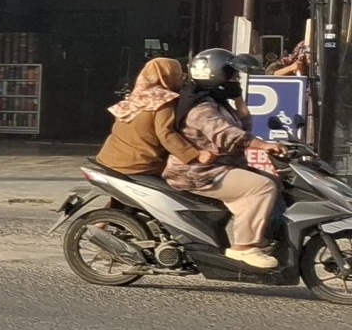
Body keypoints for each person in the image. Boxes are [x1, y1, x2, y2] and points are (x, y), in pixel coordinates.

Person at [169, 48, 287, 269]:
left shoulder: (218, 102)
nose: (236, 79)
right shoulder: (201, 108)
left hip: (221, 167)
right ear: (216, 76)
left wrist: (239, 100)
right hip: (199, 172)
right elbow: (227, 135)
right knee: (261, 187)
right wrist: (263, 145)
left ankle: (267, 238)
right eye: (232, 75)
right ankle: (243, 247)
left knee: (276, 181)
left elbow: (243, 127)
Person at [96, 56, 200, 179]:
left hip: (108, 160)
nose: (181, 80)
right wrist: (194, 155)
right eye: (179, 75)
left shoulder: (135, 97)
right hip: (138, 166)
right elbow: (166, 133)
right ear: (168, 76)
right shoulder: (162, 99)